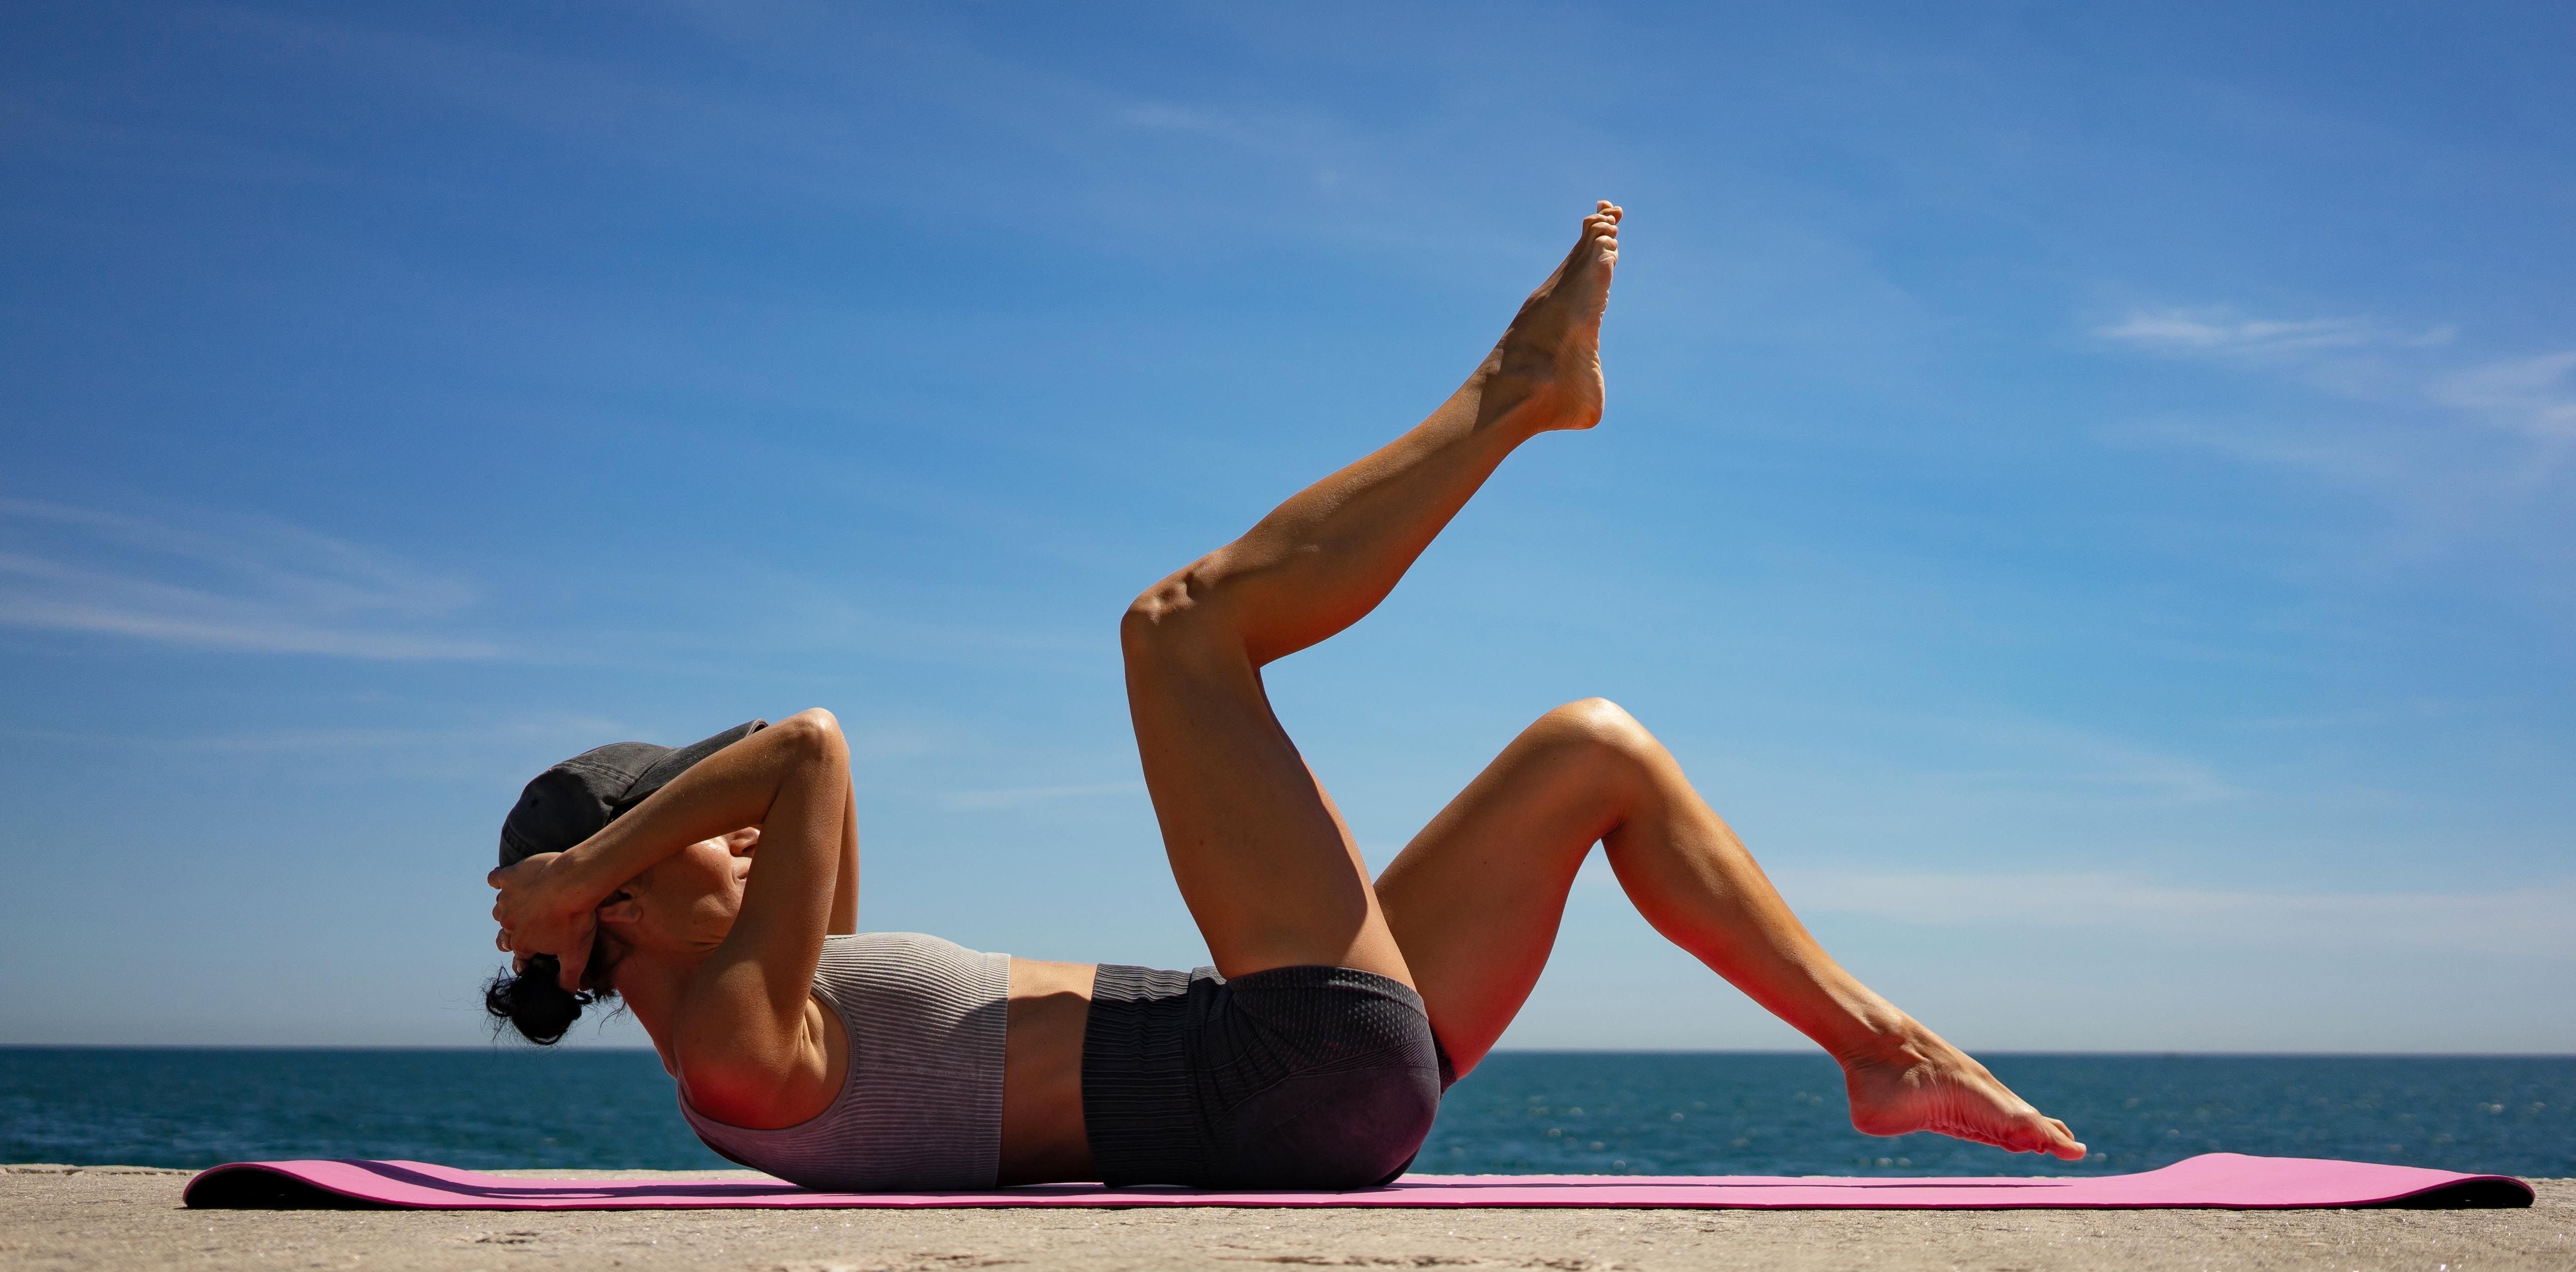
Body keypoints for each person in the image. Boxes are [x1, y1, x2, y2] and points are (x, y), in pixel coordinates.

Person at [485, 202, 2085, 1192]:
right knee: (1175, 628)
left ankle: (1881, 1052)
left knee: (1586, 754)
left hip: (1302, 1074)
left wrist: (597, 871)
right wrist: (568, 870)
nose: (754, 851)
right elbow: (808, 750)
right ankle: (1514, 399)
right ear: (618, 901)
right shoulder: (733, 1058)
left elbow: (792, 801)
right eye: (694, 839)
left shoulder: (782, 1007)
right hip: (1286, 1076)